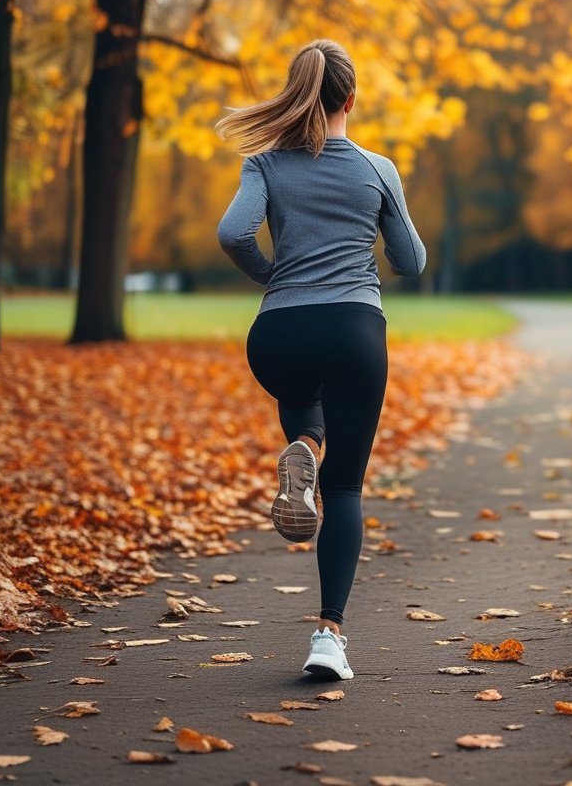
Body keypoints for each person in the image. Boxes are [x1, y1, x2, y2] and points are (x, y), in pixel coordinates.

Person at [216, 39, 426, 681]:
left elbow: (233, 233)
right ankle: (328, 636)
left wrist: (275, 274)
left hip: (277, 334)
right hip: (354, 329)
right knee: (345, 488)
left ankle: (305, 439)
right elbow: (412, 260)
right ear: (350, 100)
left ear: (296, 93)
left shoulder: (265, 164)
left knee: (303, 395)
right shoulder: (377, 168)